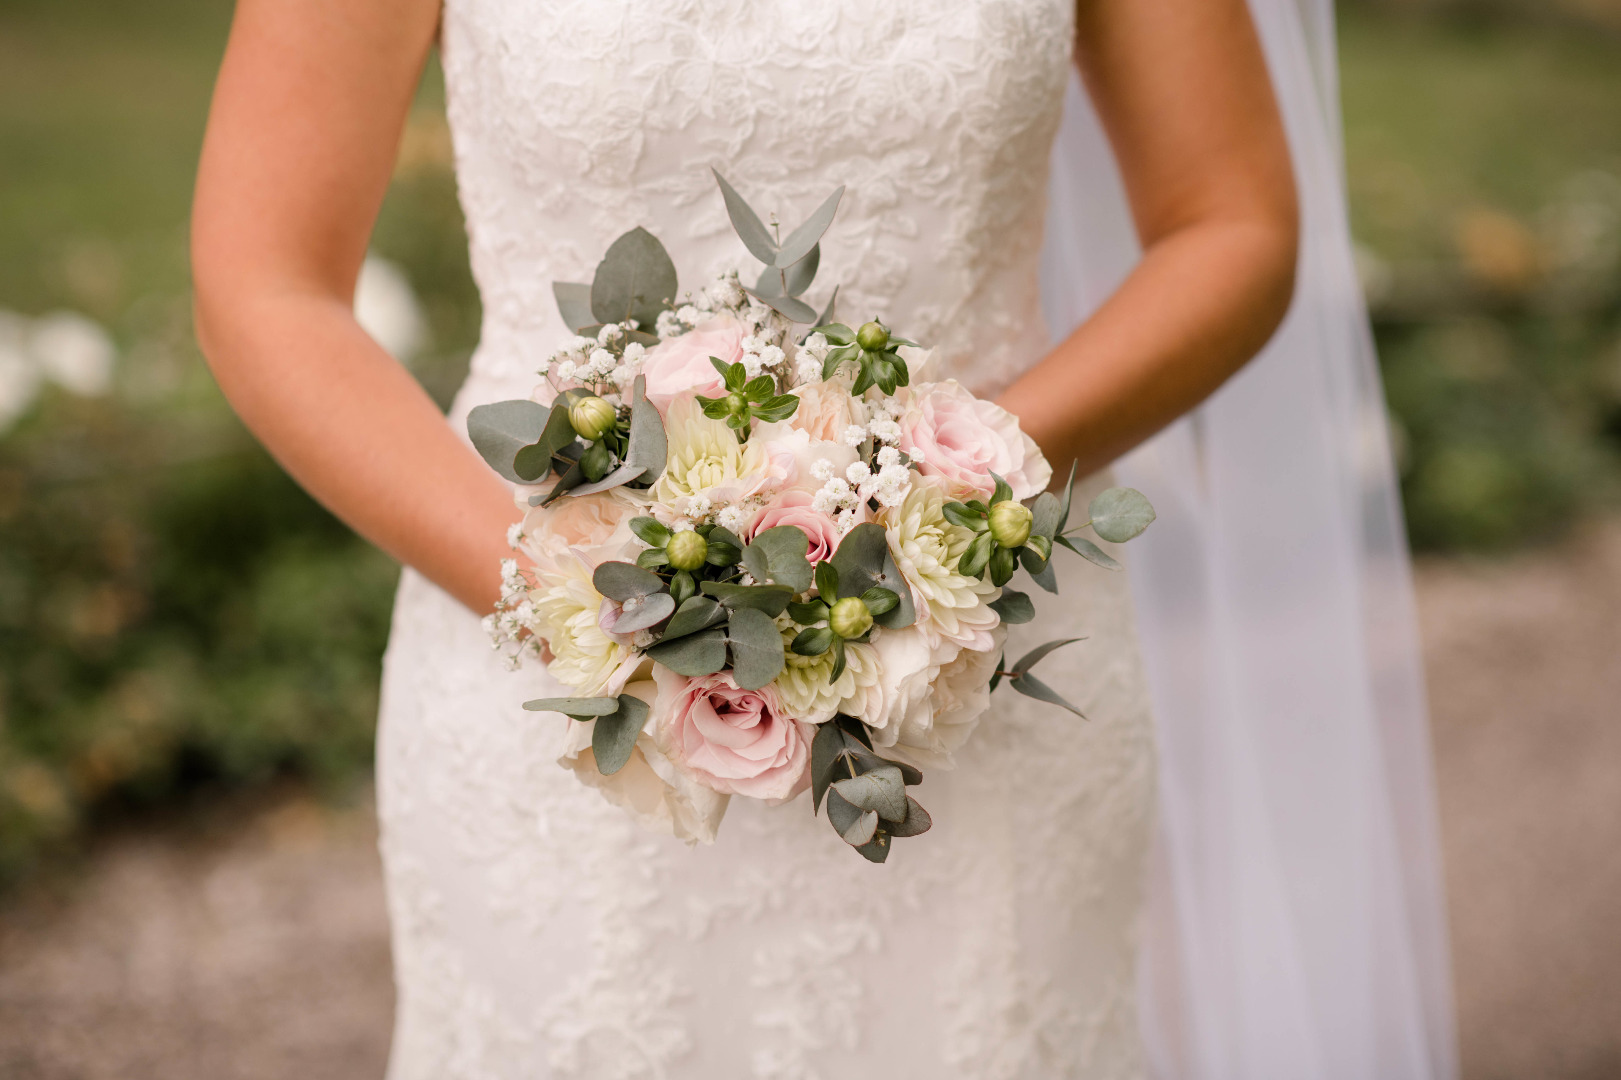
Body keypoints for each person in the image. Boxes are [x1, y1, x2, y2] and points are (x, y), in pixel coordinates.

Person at [191, 1, 1454, 1076]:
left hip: (980, 662)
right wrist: (582, 604)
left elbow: (1229, 221)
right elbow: (266, 278)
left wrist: (946, 496)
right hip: (547, 681)